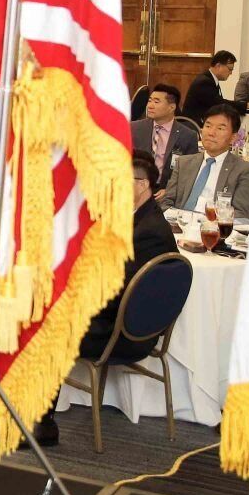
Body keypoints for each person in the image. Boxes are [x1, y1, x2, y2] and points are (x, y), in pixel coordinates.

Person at [80, 150, 175, 362]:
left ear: (142, 185)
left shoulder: (149, 232)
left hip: (120, 333)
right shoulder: (137, 217)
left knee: (40, 325)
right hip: (112, 318)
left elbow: (119, 293)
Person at [160, 103, 249, 219]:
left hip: (213, 227)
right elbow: (166, 202)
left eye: (220, 128)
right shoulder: (183, 163)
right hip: (179, 224)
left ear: (233, 137)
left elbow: (242, 214)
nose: (211, 133)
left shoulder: (244, 170)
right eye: (208, 126)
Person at [129, 83, 197, 188]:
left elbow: (189, 172)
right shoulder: (134, 128)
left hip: (166, 189)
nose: (150, 106)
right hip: (136, 187)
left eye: (156, 102)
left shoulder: (187, 136)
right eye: (150, 101)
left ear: (171, 107)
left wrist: (169, 190)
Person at [184, 50, 237, 123]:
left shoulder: (211, 79)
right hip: (193, 125)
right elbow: (220, 104)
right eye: (230, 69)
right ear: (218, 66)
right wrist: (246, 106)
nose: (231, 73)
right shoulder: (204, 82)